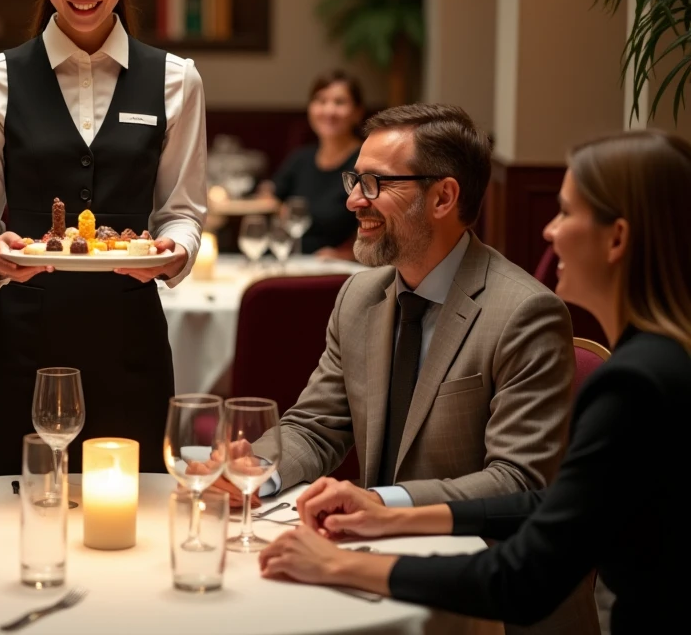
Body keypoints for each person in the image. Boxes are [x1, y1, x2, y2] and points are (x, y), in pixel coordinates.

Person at [257, 130, 691, 635]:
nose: (548, 232)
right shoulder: (661, 363)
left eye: (567, 213)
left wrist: (341, 564)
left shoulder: (633, 383)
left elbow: (525, 569)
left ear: (617, 238)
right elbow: (543, 505)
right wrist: (384, 511)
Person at [0, 0, 207, 475]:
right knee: (10, 519)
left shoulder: (176, 80)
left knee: (137, 526)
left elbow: (183, 210)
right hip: (22, 341)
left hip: (129, 340)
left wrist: (176, 249)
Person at [212, 105, 574, 508]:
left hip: (464, 556)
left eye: (374, 183)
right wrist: (255, 470)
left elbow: (517, 480)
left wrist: (384, 505)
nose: (352, 201)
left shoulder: (524, 314)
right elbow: (316, 427)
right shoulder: (359, 296)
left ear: (443, 197)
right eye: (355, 180)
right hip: (365, 547)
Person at [259, 70, 364, 259]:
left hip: (334, 271)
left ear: (357, 112)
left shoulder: (365, 162)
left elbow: (384, 223)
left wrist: (346, 255)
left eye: (339, 102)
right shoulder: (302, 158)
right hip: (287, 259)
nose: (329, 111)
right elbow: (270, 195)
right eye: (321, 101)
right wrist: (273, 203)